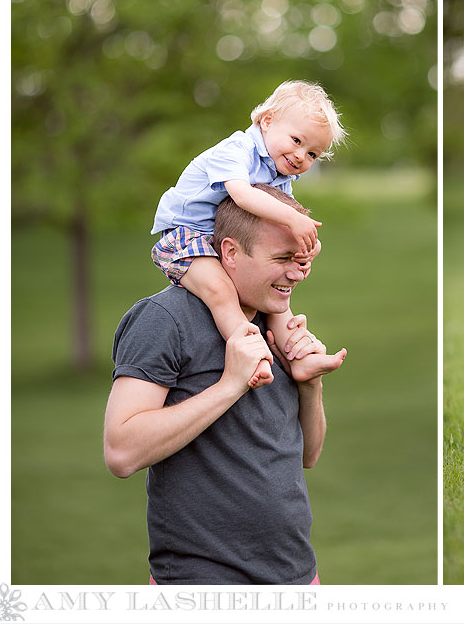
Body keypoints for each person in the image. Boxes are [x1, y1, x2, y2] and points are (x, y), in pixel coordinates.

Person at [104, 184, 347, 584]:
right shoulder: (163, 319)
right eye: (283, 258)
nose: (296, 273)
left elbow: (309, 455)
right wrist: (230, 385)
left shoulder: (273, 322)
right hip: (202, 581)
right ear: (230, 253)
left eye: (302, 260)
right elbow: (121, 451)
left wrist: (309, 385)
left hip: (297, 574)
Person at [150, 80, 346, 389]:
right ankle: (250, 356)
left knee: (278, 301)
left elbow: (282, 226)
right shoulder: (236, 149)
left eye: (312, 154)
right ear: (267, 121)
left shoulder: (281, 174)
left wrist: (308, 249)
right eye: (296, 140)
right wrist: (293, 219)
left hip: (222, 238)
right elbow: (242, 195)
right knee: (220, 292)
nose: (300, 156)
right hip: (184, 236)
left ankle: (299, 358)